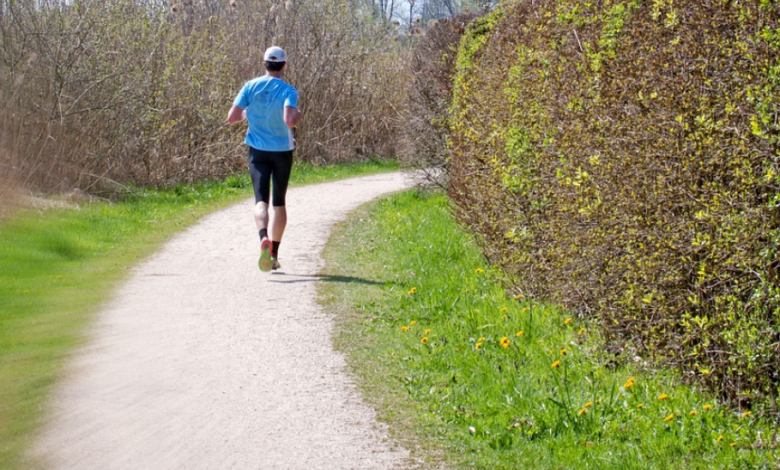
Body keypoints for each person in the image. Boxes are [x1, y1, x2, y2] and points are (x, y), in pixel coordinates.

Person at [227, 46, 302, 272]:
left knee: (261, 201)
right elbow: (289, 120)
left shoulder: (250, 86)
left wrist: (247, 114)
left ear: (264, 64)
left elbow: (231, 118)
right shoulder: (289, 90)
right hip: (281, 151)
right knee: (279, 203)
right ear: (284, 65)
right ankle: (274, 254)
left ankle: (263, 237)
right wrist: (298, 115)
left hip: (257, 151)